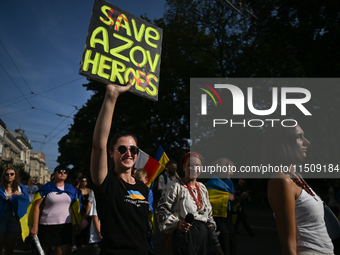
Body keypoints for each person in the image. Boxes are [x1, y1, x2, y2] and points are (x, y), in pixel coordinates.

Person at [90, 81, 150, 255]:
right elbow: (98, 145)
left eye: (133, 149)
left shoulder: (142, 187)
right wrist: (111, 95)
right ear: (111, 154)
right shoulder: (106, 183)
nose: (129, 153)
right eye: (122, 149)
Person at [264, 124, 334, 255]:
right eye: (299, 137)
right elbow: (287, 245)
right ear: (284, 142)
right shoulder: (281, 180)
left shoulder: (297, 178)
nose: (307, 142)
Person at [156, 151, 224, 255]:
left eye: (197, 166)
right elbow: (161, 209)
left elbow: (209, 218)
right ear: (183, 167)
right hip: (184, 239)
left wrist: (217, 245)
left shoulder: (202, 188)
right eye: (190, 165)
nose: (194, 169)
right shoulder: (175, 186)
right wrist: (177, 223)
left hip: (202, 241)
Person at [29, 166, 82, 255]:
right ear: (54, 174)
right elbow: (36, 207)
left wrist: (77, 224)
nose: (62, 173)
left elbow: (75, 208)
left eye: (65, 172)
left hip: (65, 226)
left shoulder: (71, 189)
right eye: (60, 171)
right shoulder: (46, 188)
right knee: (45, 253)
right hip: (47, 226)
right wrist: (35, 226)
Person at [205, 158, 237, 255]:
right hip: (218, 219)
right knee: (224, 245)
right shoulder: (211, 183)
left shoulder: (229, 183)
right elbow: (208, 201)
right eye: (230, 170)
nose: (231, 173)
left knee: (232, 243)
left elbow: (231, 200)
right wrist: (226, 198)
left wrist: (238, 198)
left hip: (228, 217)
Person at [0, 167, 30, 255]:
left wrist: (14, 197)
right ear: (4, 176)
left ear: (15, 175)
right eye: (7, 174)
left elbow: (25, 200)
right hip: (1, 217)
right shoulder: (1, 187)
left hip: (14, 218)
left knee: (10, 247)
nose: (9, 176)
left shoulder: (21, 187)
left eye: (12, 174)